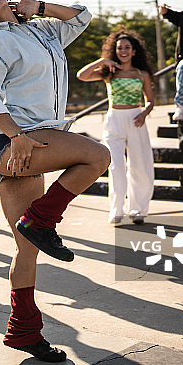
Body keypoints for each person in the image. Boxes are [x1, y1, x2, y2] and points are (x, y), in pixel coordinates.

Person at [0, 0, 109, 363]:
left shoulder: (40, 29)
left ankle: (23, 331)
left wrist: (40, 5)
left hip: (31, 139)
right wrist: (15, 136)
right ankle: (43, 218)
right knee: (98, 156)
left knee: (26, 248)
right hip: (10, 141)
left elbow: (83, 16)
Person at [77, 28, 155, 224]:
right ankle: (116, 209)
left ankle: (137, 210)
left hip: (136, 119)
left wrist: (144, 114)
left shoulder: (141, 73)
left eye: (127, 47)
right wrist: (102, 61)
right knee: (115, 166)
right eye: (119, 48)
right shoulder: (109, 72)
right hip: (113, 121)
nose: (123, 51)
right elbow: (82, 75)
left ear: (134, 51)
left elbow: (150, 101)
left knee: (139, 166)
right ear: (115, 50)